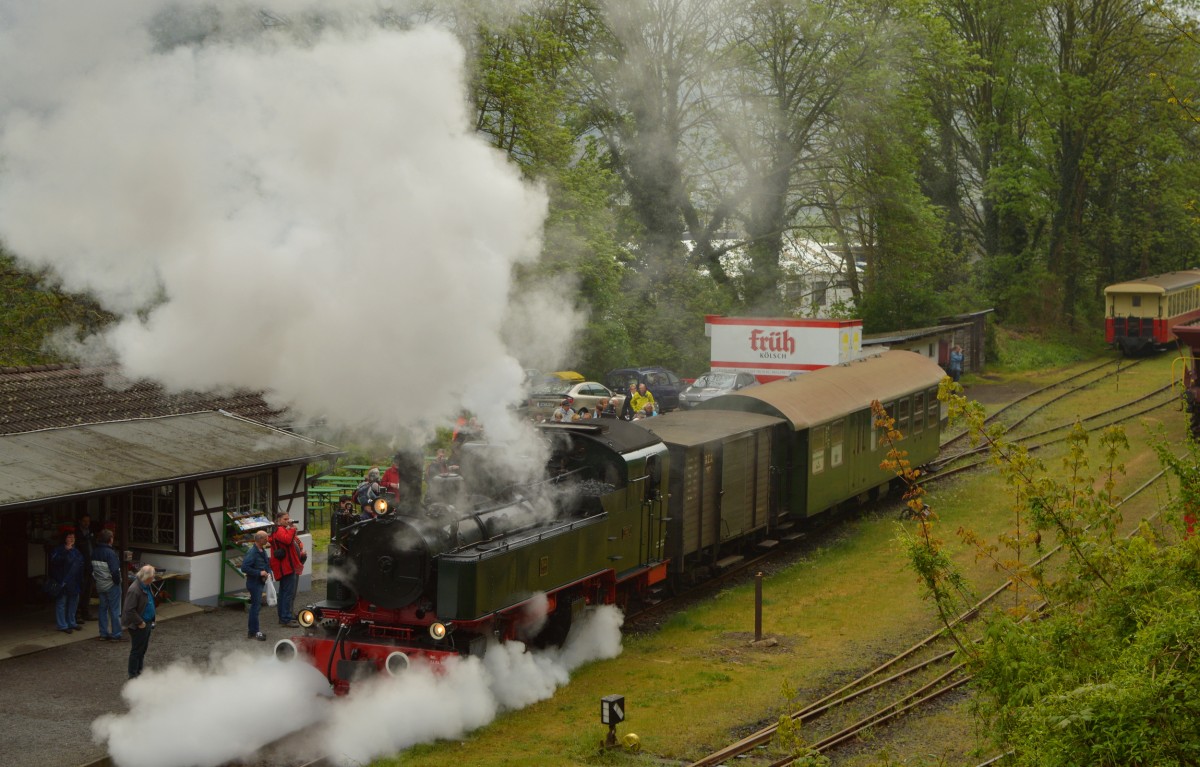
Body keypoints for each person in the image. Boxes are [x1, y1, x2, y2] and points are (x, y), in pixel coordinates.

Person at [269, 511, 304, 628]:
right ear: (278, 520)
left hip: (286, 566)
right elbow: (288, 540)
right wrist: (293, 529)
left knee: (284, 593)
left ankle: (285, 616)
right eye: (285, 519)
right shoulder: (279, 530)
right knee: (287, 593)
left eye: (288, 518)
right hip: (286, 567)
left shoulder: (279, 529)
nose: (287, 521)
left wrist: (290, 530)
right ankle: (285, 618)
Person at [123, 565, 156, 679]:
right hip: (139, 625)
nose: (153, 578)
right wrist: (140, 622)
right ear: (146, 577)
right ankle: (133, 675)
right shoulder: (134, 589)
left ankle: (139, 672)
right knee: (137, 651)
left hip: (146, 623)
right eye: (152, 576)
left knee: (142, 650)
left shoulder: (146, 585)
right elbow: (129, 610)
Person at [49, 530, 84, 634]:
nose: (72, 539)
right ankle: (62, 625)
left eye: (73, 537)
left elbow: (80, 564)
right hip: (62, 580)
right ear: (64, 539)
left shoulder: (76, 551)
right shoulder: (58, 550)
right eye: (69, 537)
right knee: (62, 603)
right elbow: (54, 562)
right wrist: (65, 552)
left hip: (74, 581)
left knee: (73, 603)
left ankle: (72, 622)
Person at [90, 529, 123, 641]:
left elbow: (92, 569)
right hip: (111, 584)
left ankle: (103, 633)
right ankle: (116, 634)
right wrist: (117, 582)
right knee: (114, 610)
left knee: (102, 609)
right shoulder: (110, 553)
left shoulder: (95, 551)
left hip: (100, 584)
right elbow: (114, 571)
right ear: (110, 540)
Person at [240, 531, 271, 641]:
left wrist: (267, 572)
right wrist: (259, 573)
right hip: (254, 583)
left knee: (256, 607)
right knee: (255, 608)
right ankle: (254, 631)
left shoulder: (261, 550)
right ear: (260, 539)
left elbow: (266, 563)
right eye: (266, 538)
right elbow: (244, 567)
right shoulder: (252, 552)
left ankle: (253, 631)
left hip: (259, 582)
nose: (268, 539)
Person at [75, 513, 95, 622]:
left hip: (90, 565)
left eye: (88, 521)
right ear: (80, 521)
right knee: (80, 590)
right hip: (81, 566)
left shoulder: (90, 533)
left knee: (88, 590)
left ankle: (85, 612)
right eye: (84, 521)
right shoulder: (77, 534)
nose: (86, 523)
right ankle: (77, 613)